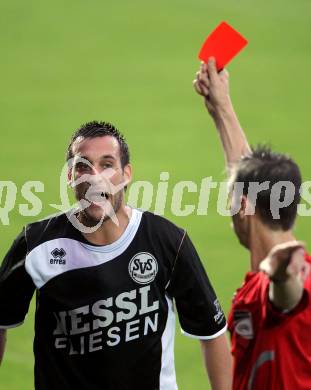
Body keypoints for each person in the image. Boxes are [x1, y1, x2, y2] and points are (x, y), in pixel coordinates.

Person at [0, 121, 232, 389]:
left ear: (126, 174)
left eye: (107, 165)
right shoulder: (37, 244)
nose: (94, 177)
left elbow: (212, 332)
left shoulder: (166, 240)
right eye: (83, 166)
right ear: (70, 176)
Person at [194, 58, 311, 389]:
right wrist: (221, 108)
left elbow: (287, 300)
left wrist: (281, 271)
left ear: (243, 207)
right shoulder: (264, 276)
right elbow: (244, 176)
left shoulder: (285, 281)